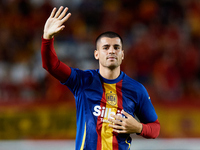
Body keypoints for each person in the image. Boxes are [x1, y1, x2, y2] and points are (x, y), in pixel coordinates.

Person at [41, 6, 160, 150]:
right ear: (96, 54)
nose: (111, 51)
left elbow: (155, 129)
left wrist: (139, 127)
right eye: (106, 47)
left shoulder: (137, 89)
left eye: (116, 47)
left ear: (122, 55)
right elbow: (51, 65)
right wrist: (47, 38)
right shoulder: (82, 81)